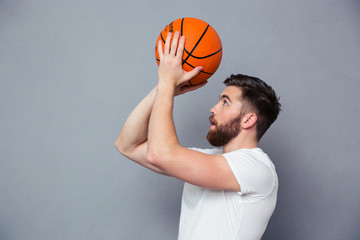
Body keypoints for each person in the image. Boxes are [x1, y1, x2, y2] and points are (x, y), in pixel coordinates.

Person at [115, 31, 281, 240]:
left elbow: (161, 154)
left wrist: (167, 83)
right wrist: (162, 89)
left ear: (248, 120)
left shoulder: (256, 168)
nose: (213, 108)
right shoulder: (207, 160)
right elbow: (127, 145)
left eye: (225, 102)